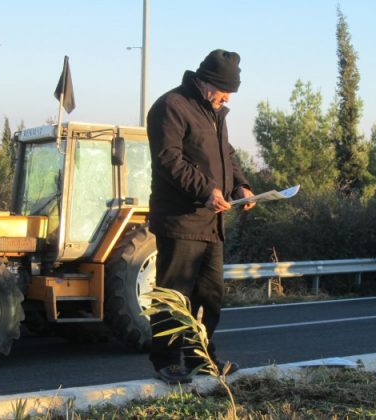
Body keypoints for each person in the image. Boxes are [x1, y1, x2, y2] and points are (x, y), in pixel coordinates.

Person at [146, 49, 256, 384]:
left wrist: (241, 185)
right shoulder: (171, 107)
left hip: (213, 223)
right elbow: (169, 159)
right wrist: (206, 190)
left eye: (230, 94)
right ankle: (167, 361)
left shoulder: (215, 112)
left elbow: (227, 153)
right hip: (180, 221)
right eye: (224, 91)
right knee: (175, 294)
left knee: (210, 297)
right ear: (206, 81)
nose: (227, 98)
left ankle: (201, 359)